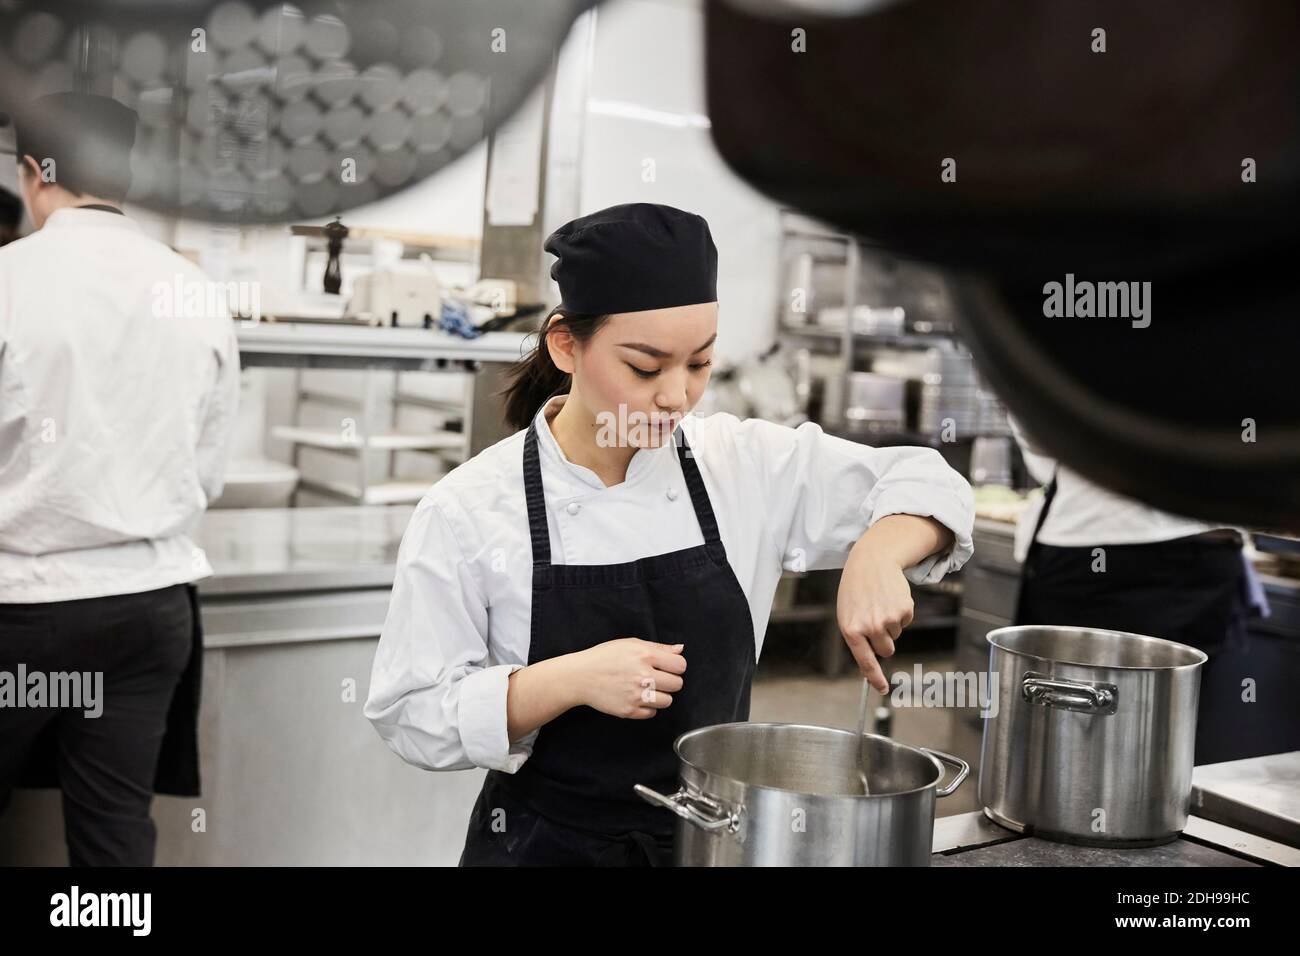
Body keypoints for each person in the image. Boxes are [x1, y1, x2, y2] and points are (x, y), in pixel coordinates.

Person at [365, 202, 975, 866]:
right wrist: (564, 680)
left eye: (700, 364)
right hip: (542, 847)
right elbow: (411, 710)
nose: (677, 397)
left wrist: (880, 551)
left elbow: (925, 477)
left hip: (710, 840)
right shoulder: (472, 507)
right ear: (566, 344)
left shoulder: (739, 465)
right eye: (646, 367)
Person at [0, 92, 240, 865]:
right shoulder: (194, 290)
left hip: (22, 611)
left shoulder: (10, 278)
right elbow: (208, 471)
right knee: (114, 836)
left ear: (36, 172)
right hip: (147, 613)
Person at [1009, 418, 1271, 764]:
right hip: (1207, 544)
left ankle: (1061, 811)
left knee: (1067, 728)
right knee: (1164, 734)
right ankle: (1145, 813)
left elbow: (1037, 419)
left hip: (1098, 538)